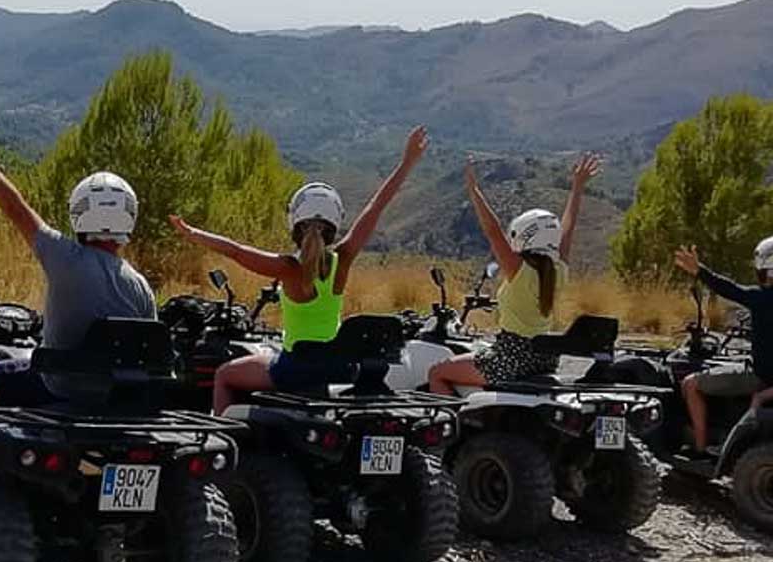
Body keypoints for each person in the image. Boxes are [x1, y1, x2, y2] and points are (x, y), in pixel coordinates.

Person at [169, 127, 430, 413]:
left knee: (224, 375)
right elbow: (376, 207)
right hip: (339, 368)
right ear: (335, 224)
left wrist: (192, 232)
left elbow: (235, 250)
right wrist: (408, 162)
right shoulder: (342, 259)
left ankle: (229, 444)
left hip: (295, 369)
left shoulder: (287, 268)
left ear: (295, 221)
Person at [0, 107, 156, 418]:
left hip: (56, 387)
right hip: (115, 398)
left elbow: (14, 207)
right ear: (129, 217)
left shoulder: (64, 257)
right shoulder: (141, 286)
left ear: (79, 212)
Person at [429, 153, 601, 393]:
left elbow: (492, 230)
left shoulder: (520, 272)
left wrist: (474, 190)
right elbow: (568, 228)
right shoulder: (558, 270)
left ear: (523, 237)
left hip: (510, 359)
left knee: (437, 372)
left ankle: (453, 426)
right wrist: (577, 187)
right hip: (544, 359)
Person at [673, 240, 773, 456]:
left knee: (691, 384)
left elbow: (729, 289)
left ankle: (700, 449)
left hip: (762, 377)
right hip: (766, 378)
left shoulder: (762, 298)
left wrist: (700, 271)